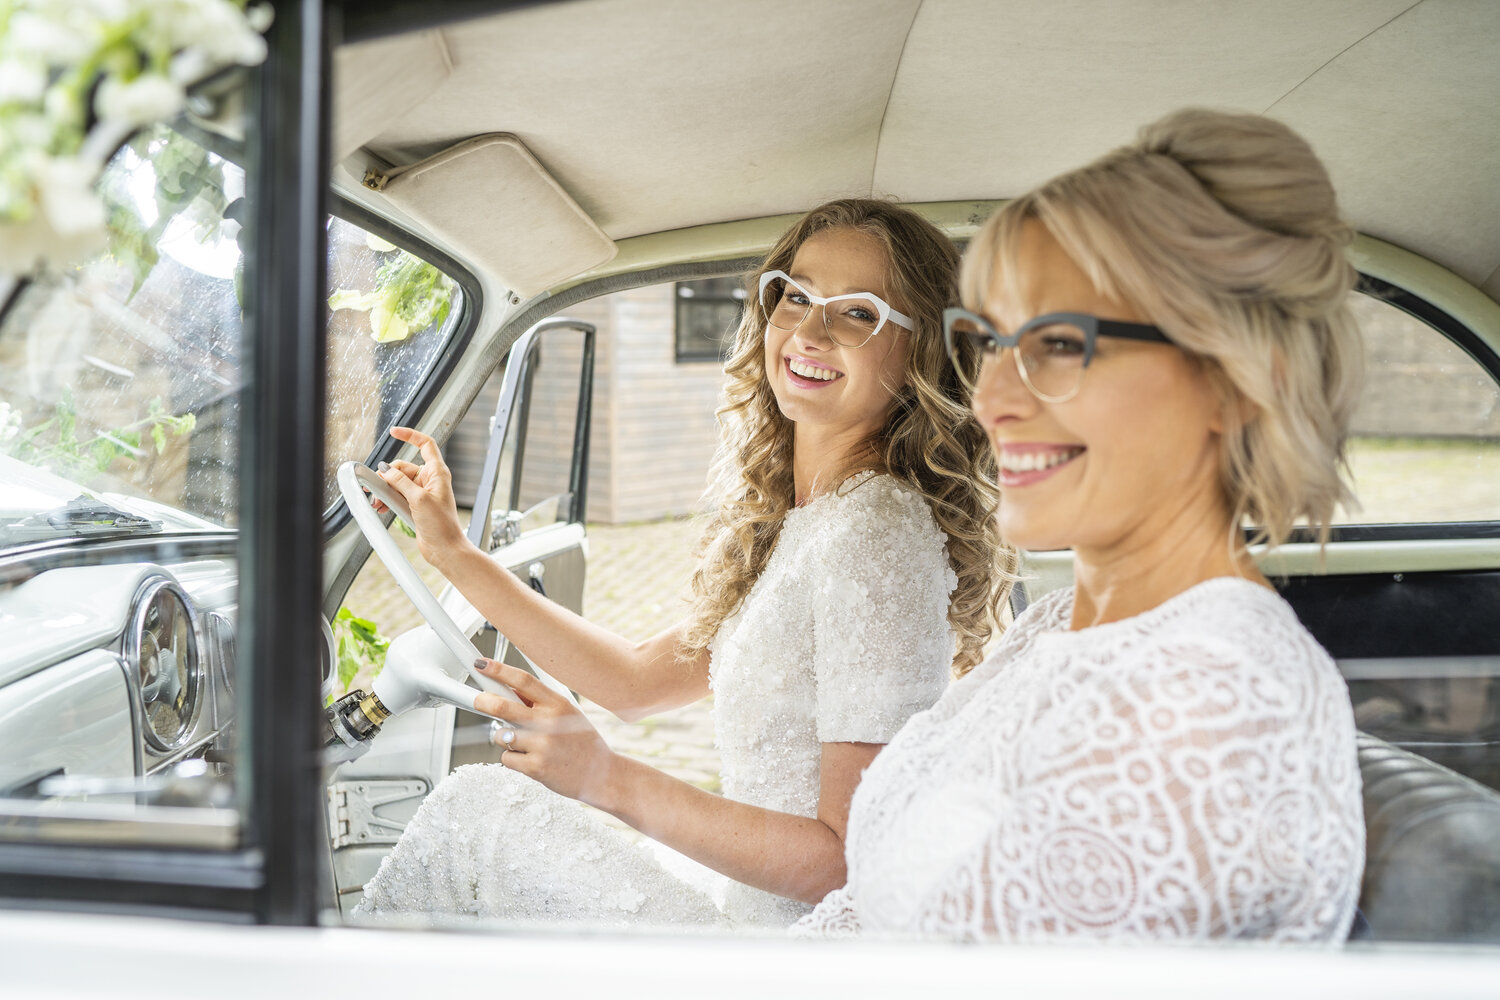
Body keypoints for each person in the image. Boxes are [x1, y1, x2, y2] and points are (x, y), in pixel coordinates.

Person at [352, 198, 1015, 929]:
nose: (810, 330)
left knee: (476, 813)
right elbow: (633, 682)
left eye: (858, 313)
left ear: (923, 351)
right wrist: (453, 552)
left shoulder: (876, 533)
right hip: (755, 908)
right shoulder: (813, 520)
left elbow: (845, 860)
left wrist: (608, 779)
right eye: (795, 296)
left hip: (793, 950)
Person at [795, 110, 1366, 942]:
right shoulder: (1066, 625)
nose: (991, 397)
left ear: (1236, 380)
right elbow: (873, 911)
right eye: (988, 341)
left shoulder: (1203, 701)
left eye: (1059, 343)